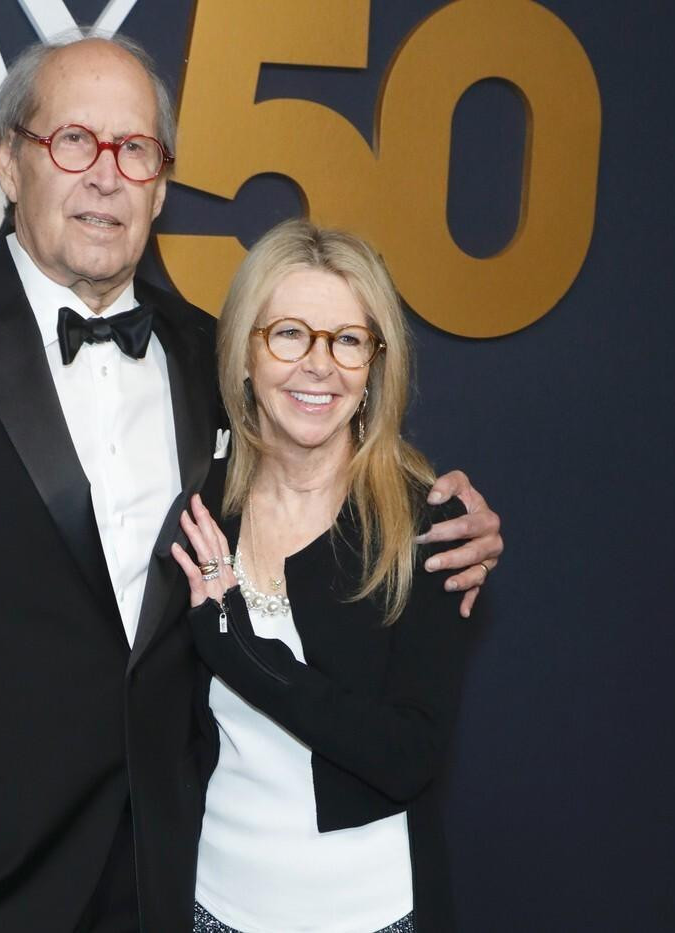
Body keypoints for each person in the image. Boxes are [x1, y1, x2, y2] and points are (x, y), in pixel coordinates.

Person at [0, 33, 502, 933]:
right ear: (10, 164)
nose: (106, 176)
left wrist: (450, 521)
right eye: (74, 140)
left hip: (160, 872)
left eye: (136, 149)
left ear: (161, 185)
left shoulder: (211, 356)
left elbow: (333, 468)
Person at [172, 220, 476, 932]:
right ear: (245, 354)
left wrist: (242, 651)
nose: (319, 365)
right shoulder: (195, 504)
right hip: (212, 907)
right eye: (288, 334)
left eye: (346, 340)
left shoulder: (427, 523)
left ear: (374, 365)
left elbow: (407, 756)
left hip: (375, 916)